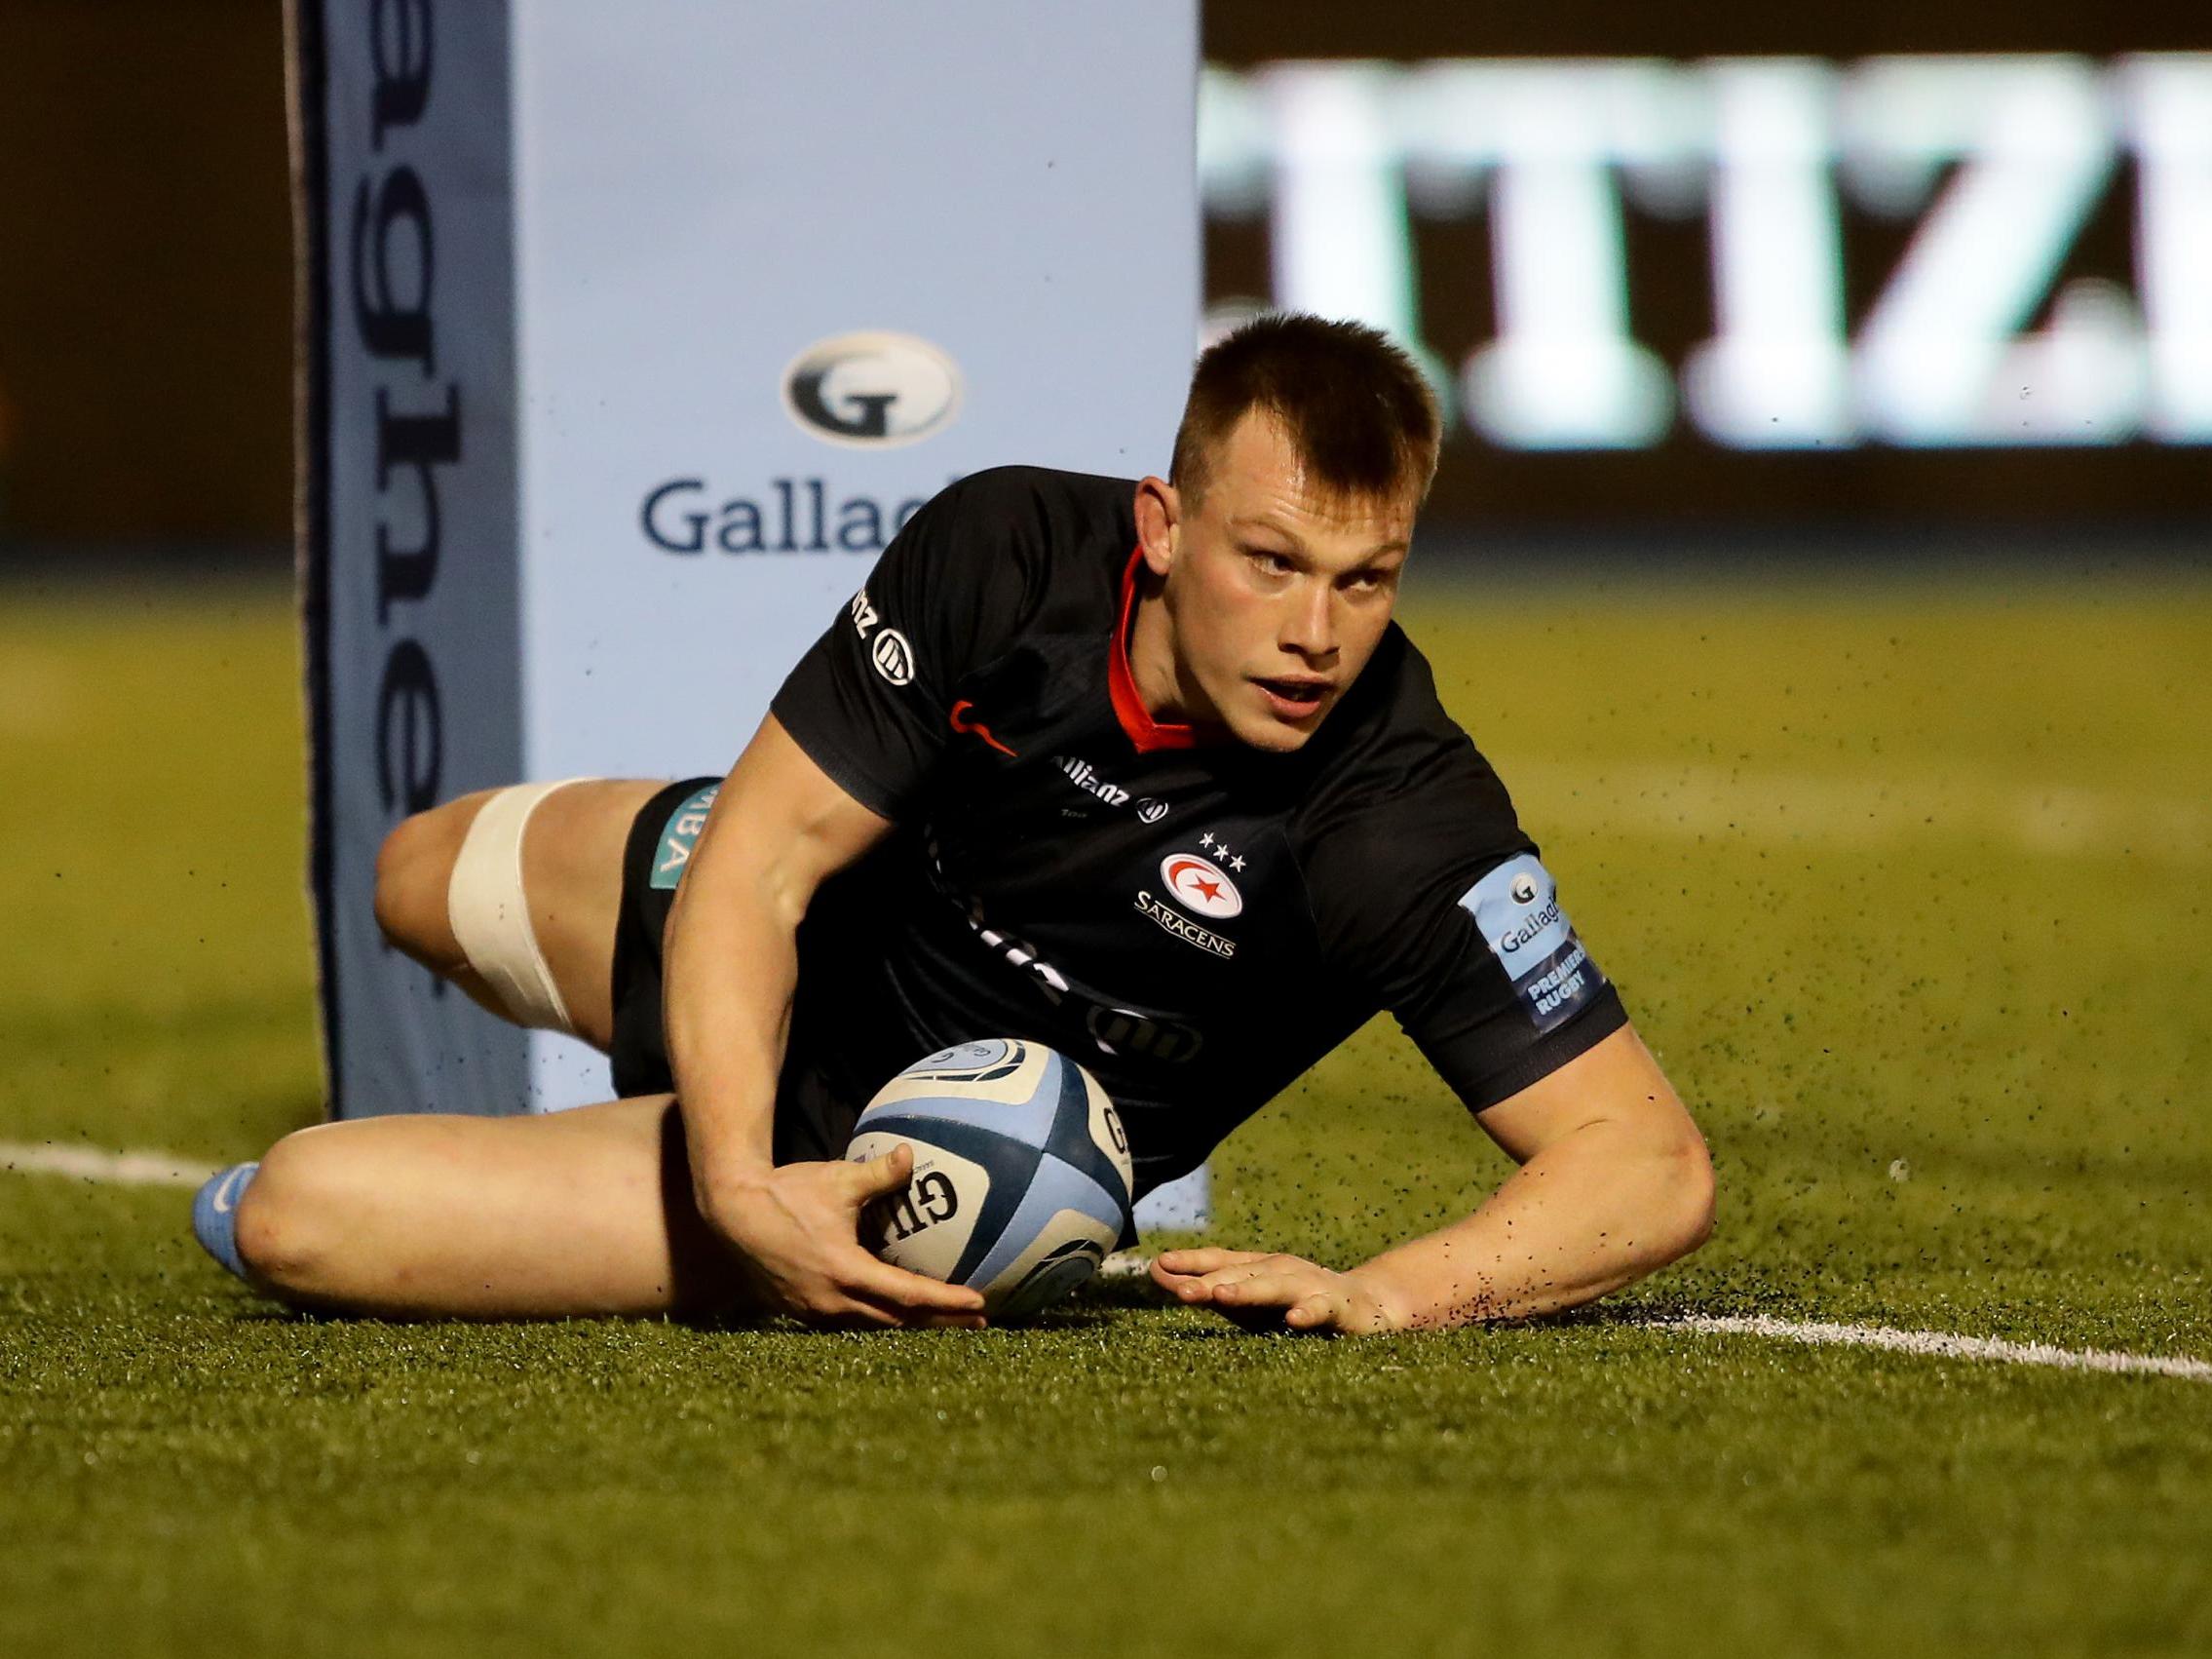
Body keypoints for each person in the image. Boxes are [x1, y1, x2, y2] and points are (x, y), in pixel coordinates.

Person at [195, 314, 1713, 1333]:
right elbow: (768, 862)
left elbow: (1643, 1161)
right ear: (1163, 526)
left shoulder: (1397, 814)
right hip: (796, 935)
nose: (1314, 629)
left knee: (300, 1214)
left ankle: (648, 1145)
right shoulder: (1005, 551)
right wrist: (735, 1182)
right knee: (416, 873)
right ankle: (703, 1054)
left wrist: (1393, 1287)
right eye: (1269, 560)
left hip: (861, 1158)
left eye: (1363, 577)